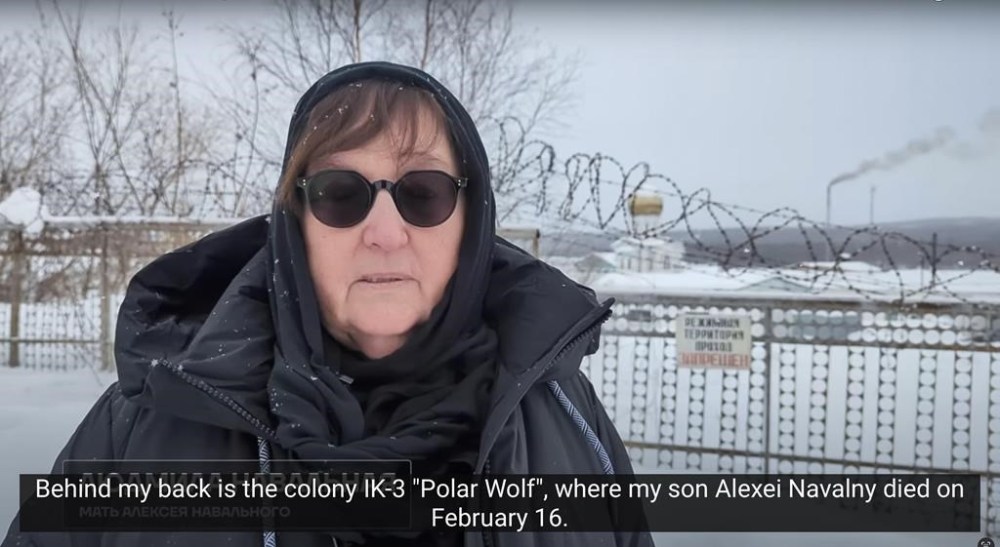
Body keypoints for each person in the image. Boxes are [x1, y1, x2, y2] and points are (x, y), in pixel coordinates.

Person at [2, 62, 651, 547]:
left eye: (423, 192)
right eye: (341, 193)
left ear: (470, 224)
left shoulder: (564, 414)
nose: (385, 232)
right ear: (295, 227)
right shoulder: (146, 419)